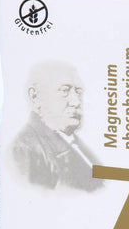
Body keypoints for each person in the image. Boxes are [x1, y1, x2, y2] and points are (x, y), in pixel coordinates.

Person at [12, 61, 102, 192]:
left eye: (78, 92)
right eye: (64, 91)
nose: (76, 102)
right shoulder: (25, 149)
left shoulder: (76, 143)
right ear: (35, 96)